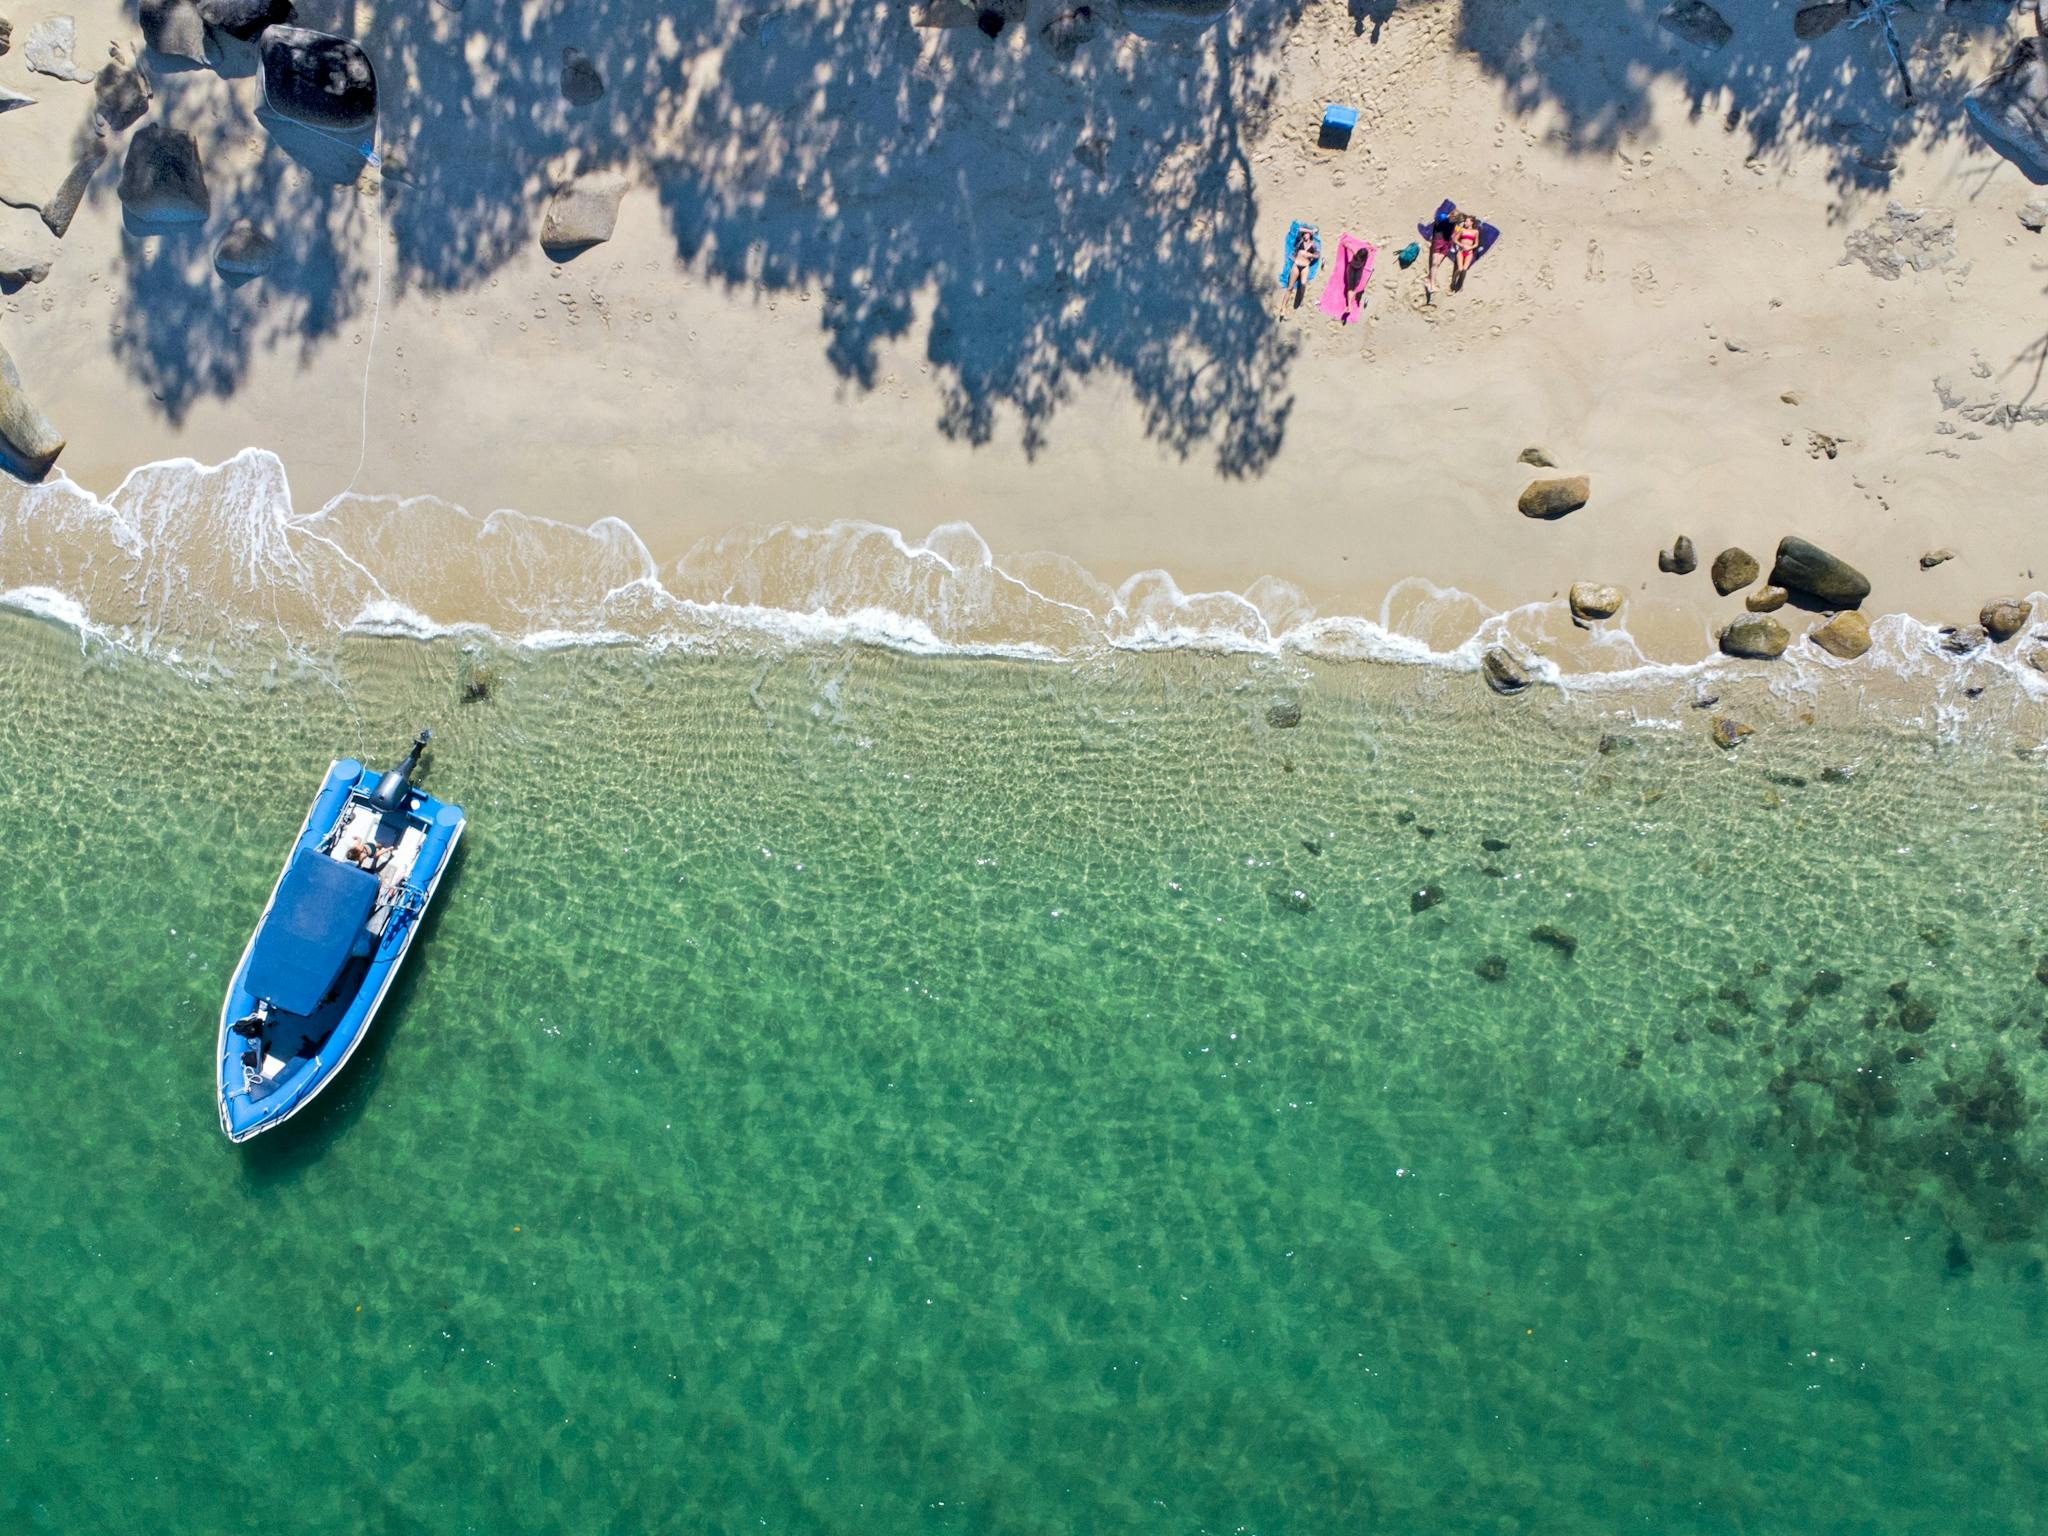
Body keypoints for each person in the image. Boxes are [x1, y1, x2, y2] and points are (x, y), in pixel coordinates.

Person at [1426, 208, 1485, 298]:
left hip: (1463, 250)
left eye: (1466, 221)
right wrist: (1461, 244)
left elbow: (1476, 243)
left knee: (1463, 269)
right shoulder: (1457, 226)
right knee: (1454, 267)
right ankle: (1444, 283)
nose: (1464, 223)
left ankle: (1458, 284)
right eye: (1463, 221)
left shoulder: (1474, 231)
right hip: (1453, 247)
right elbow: (1454, 237)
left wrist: (1470, 247)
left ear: (1472, 222)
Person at [1288, 224, 1321, 307]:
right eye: (1304, 234)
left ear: (1310, 236)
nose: (1305, 235)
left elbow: (1317, 255)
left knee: (1303, 283)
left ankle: (1301, 298)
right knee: (1291, 285)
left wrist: (1310, 255)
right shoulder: (1300, 241)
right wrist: (1310, 231)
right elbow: (1299, 229)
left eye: (1306, 234)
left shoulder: (1313, 244)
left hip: (1305, 266)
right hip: (1297, 263)